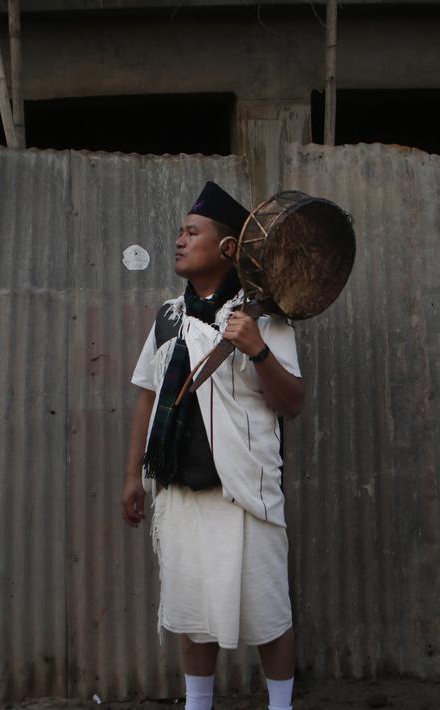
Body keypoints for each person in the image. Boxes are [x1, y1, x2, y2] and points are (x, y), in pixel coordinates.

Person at [121, 181, 305, 710]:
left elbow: (292, 402)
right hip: (180, 485)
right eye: (180, 231)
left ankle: (281, 706)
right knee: (193, 610)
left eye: (192, 232)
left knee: (269, 611)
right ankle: (196, 706)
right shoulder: (167, 317)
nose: (179, 240)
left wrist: (258, 350)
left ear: (227, 248)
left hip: (244, 489)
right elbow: (148, 398)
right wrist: (133, 474)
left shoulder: (265, 319)